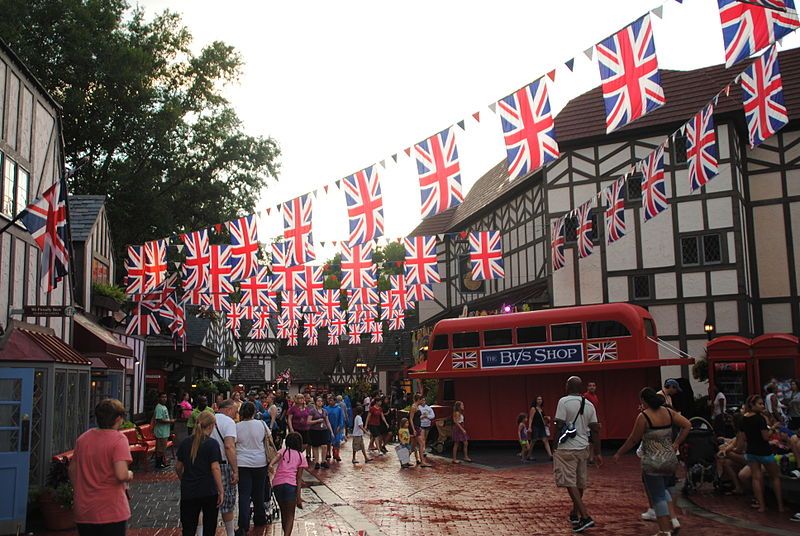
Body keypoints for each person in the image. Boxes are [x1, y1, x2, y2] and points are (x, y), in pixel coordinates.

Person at [613, 387, 691, 536]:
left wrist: (619, 453)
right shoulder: (668, 412)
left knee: (658, 496)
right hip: (669, 459)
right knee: (665, 490)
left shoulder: (644, 417)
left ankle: (664, 530)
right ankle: (672, 522)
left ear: (643, 401)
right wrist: (676, 443)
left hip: (653, 461)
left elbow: (633, 439)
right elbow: (687, 425)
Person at [69, 399, 133, 536]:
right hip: (111, 508)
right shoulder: (119, 439)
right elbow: (121, 474)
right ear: (117, 418)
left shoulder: (83, 438)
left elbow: (72, 470)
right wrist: (130, 474)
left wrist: (81, 489)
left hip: (85, 508)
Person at [553, 376, 601, 533]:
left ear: (568, 386)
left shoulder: (563, 402)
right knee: (580, 482)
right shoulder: (589, 404)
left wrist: (555, 445)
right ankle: (574, 513)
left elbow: (559, 424)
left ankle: (585, 516)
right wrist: (598, 452)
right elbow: (595, 429)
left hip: (567, 447)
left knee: (570, 482)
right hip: (583, 447)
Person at [175, 412, 224, 536]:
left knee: (188, 528)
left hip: (189, 490)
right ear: (211, 426)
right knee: (210, 526)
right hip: (208, 489)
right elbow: (215, 468)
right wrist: (221, 490)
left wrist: (183, 478)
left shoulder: (185, 443)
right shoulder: (212, 444)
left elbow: (178, 467)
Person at [735, 395, 785, 513]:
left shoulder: (743, 419)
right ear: (752, 405)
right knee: (775, 477)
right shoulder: (760, 419)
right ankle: (780, 505)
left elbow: (742, 438)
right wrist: (772, 428)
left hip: (751, 451)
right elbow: (765, 437)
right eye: (760, 404)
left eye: (763, 404)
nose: (762, 406)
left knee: (756, 478)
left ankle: (761, 506)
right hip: (764, 451)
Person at [234, 401, 268, 535]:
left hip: (242, 462)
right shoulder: (261, 424)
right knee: (258, 492)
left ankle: (243, 525)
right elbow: (267, 438)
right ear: (254, 412)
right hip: (260, 462)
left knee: (244, 494)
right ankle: (260, 517)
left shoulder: (237, 427)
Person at [269, 432, 308, 536]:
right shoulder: (301, 457)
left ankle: (285, 534)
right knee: (290, 515)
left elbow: (276, 457)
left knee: (284, 513)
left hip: (277, 484)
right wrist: (298, 498)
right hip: (291, 485)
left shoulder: (283, 451)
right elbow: (298, 478)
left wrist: (271, 465)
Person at [212, 399, 239, 536]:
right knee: (227, 501)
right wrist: (235, 470)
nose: (236, 414)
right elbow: (229, 446)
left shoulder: (208, 419)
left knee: (205, 502)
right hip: (222, 464)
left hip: (204, 465)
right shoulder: (228, 422)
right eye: (235, 410)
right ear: (228, 409)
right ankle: (230, 533)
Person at [307, 396, 332, 469]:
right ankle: (317, 462)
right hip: (314, 430)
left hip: (323, 430)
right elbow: (308, 421)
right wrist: (317, 421)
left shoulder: (325, 411)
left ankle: (323, 461)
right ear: (315, 402)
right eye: (318, 401)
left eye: (321, 401)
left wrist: (331, 431)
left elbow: (327, 421)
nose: (320, 402)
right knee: (315, 446)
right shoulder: (312, 411)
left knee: (324, 445)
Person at [153, 392, 176, 468]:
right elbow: (159, 419)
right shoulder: (159, 407)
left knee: (163, 448)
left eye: (165, 397)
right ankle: (158, 464)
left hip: (165, 431)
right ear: (159, 398)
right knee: (160, 449)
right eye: (162, 397)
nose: (164, 399)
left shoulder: (164, 407)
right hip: (160, 431)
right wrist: (170, 421)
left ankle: (162, 462)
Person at [528, 396, 553, 461]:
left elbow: (543, 418)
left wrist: (547, 419)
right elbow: (531, 418)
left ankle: (550, 455)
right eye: (538, 399)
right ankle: (529, 455)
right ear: (535, 400)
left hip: (541, 426)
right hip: (535, 426)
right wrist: (530, 427)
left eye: (541, 399)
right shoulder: (533, 409)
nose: (540, 400)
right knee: (533, 440)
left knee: (545, 440)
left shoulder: (541, 409)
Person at [286, 394, 310, 459]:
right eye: (299, 398)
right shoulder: (292, 409)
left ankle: (298, 453)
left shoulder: (306, 408)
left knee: (305, 443)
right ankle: (295, 456)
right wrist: (291, 428)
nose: (301, 399)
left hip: (305, 428)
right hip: (296, 428)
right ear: (296, 399)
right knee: (296, 443)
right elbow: (289, 419)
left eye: (302, 398)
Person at [326, 395, 345, 462]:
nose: (330, 402)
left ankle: (336, 454)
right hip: (328, 427)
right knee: (328, 440)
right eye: (329, 400)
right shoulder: (326, 408)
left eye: (331, 400)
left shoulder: (338, 409)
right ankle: (328, 453)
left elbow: (341, 418)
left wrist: (339, 427)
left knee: (337, 441)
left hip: (336, 426)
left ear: (334, 401)